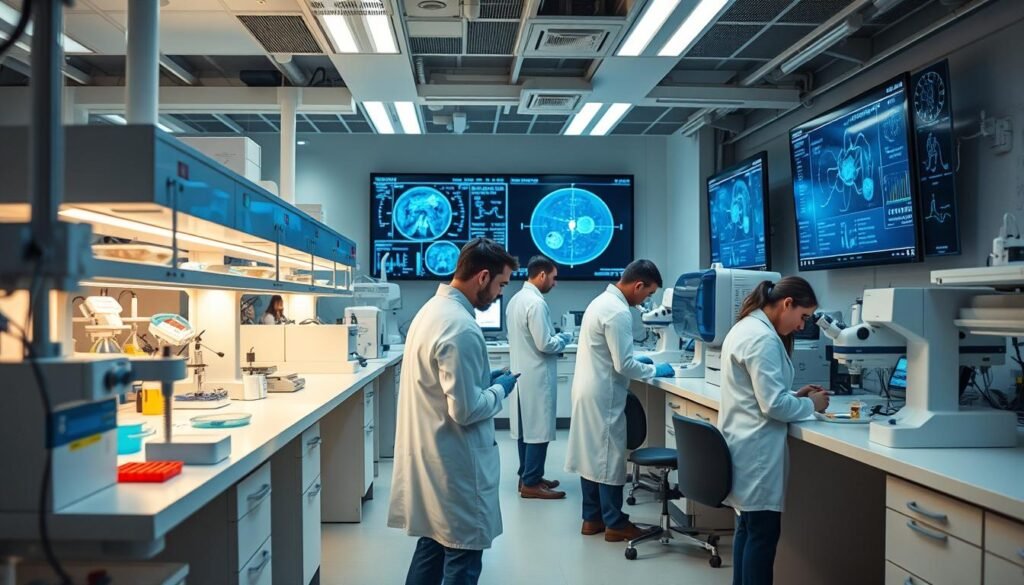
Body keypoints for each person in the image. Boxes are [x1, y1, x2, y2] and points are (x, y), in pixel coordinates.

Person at [388, 237, 521, 585]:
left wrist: (482, 380)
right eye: (501, 284)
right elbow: (465, 410)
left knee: (431, 549)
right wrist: (499, 390)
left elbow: (442, 385)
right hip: (456, 467)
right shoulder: (461, 326)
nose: (499, 295)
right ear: (482, 277)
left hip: (433, 460)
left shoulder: (431, 312)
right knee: (461, 559)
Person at [718, 277, 830, 585]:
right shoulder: (763, 338)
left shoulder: (747, 327)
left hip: (743, 444)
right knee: (762, 536)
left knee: (748, 530)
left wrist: (794, 397)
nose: (801, 326)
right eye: (803, 317)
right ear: (787, 303)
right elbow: (772, 407)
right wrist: (813, 406)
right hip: (755, 452)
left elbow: (760, 396)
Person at [564, 259, 676, 542]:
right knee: (607, 458)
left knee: (591, 455)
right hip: (604, 393)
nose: (646, 300)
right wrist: (653, 369)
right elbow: (624, 365)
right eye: (648, 294)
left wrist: (638, 358)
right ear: (638, 285)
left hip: (587, 388)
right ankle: (615, 522)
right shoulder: (618, 312)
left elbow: (610, 353)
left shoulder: (601, 302)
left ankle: (591, 519)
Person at [506, 255, 573, 500]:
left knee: (526, 430)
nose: (555, 283)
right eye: (554, 278)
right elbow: (545, 344)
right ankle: (531, 483)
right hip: (536, 375)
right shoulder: (536, 303)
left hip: (523, 375)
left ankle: (527, 476)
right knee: (538, 431)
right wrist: (564, 338)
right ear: (542, 275)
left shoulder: (516, 300)